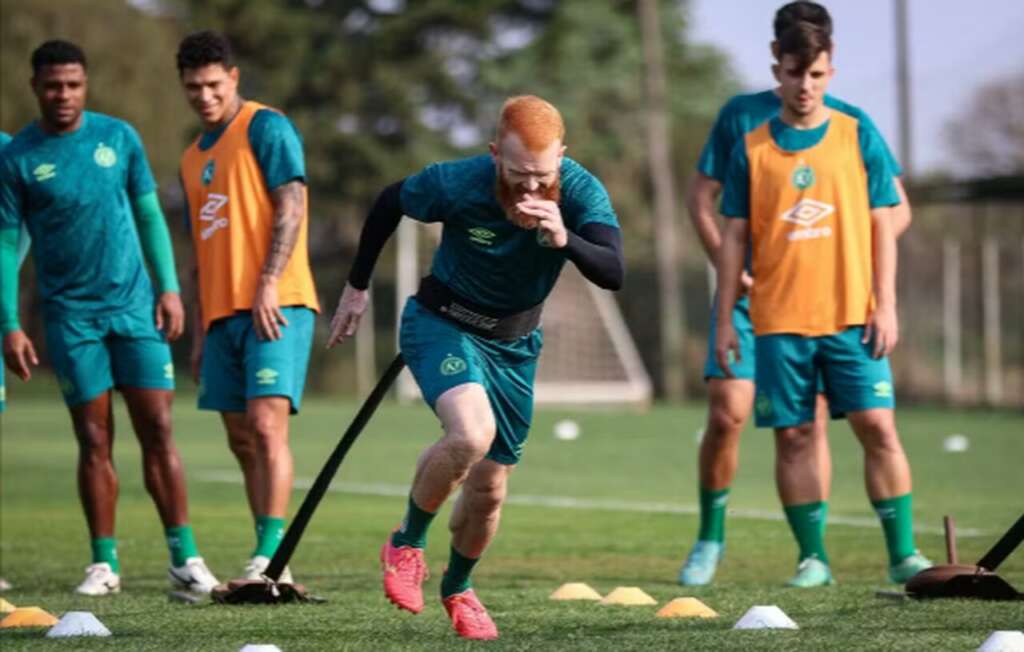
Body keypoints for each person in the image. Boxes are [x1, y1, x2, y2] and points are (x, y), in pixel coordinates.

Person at [326, 95, 624, 640]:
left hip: (514, 346)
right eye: (517, 174)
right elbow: (390, 201)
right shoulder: (458, 182)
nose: (530, 189)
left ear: (562, 157)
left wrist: (566, 238)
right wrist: (357, 286)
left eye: (542, 176)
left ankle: (459, 588)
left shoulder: (580, 191)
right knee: (470, 434)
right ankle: (406, 544)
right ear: (494, 155)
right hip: (444, 323)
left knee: (489, 491)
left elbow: (613, 270)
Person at [678, 0, 914, 587]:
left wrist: (848, 261)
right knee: (736, 415)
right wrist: (734, 278)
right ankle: (719, 538)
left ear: (830, 63)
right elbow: (712, 208)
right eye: (792, 66)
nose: (804, 81)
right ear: (775, 60)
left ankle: (880, 554)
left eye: (816, 69)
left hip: (842, 304)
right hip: (761, 302)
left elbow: (892, 212)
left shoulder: (853, 126)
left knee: (860, 424)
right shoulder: (745, 126)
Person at [0, 40, 219, 596]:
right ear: (36, 87)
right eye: (54, 85)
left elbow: (149, 215)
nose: (64, 94)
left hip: (134, 310)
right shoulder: (18, 157)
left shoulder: (118, 137)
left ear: (85, 84)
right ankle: (103, 563)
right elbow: (4, 244)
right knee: (93, 437)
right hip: (71, 319)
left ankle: (185, 558)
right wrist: (9, 323)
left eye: (73, 84)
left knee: (159, 429)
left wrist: (169, 290)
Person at [176, 31, 319, 584]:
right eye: (194, 87)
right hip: (221, 318)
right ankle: (266, 551)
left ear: (233, 77)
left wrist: (267, 282)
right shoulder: (191, 158)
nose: (205, 96)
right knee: (240, 438)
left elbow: (292, 206)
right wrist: (199, 333)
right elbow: (200, 253)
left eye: (214, 84)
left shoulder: (266, 127)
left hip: (276, 304)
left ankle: (271, 556)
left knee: (264, 426)